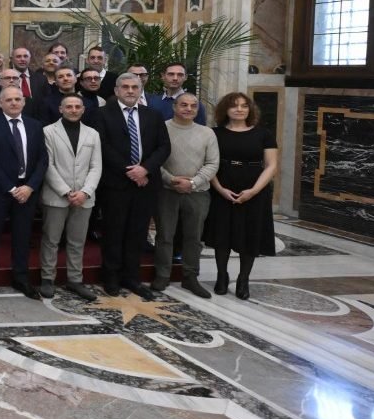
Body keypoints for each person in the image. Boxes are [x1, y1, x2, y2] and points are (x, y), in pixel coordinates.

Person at [98, 72, 171, 300]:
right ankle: (111, 277)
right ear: (116, 90)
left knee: (138, 232)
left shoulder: (153, 115)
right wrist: (130, 171)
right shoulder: (102, 114)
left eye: (135, 87)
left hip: (145, 184)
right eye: (125, 87)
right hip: (115, 183)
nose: (130, 91)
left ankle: (132, 277)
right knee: (114, 231)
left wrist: (145, 169)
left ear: (140, 90)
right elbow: (103, 146)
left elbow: (164, 147)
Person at [205, 92, 278, 300]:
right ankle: (221, 275)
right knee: (222, 235)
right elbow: (208, 163)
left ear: (250, 109)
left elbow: (271, 165)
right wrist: (219, 188)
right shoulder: (214, 133)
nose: (239, 109)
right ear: (225, 109)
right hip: (222, 187)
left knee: (250, 235)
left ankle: (243, 279)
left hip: (254, 190)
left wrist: (253, 191)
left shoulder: (263, 134)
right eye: (234, 105)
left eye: (244, 105)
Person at [0, 85, 48, 300]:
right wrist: (10, 188)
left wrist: (30, 187)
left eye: (17, 99)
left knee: (22, 237)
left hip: (27, 191)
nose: (13, 103)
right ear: (0, 103)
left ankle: (21, 278)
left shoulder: (35, 125)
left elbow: (43, 159)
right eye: (8, 100)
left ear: (24, 102)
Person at [155, 93, 219, 298]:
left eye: (193, 106)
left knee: (194, 237)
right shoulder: (160, 128)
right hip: (166, 191)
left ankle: (190, 277)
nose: (189, 109)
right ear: (174, 107)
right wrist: (171, 179)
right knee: (165, 235)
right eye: (184, 105)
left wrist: (192, 182)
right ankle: (162, 275)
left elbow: (212, 163)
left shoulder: (207, 133)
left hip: (197, 192)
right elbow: (153, 159)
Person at [39, 95, 102, 301]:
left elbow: (96, 166)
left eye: (77, 107)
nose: (73, 110)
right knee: (51, 239)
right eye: (69, 106)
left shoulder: (92, 134)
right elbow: (48, 165)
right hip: (56, 195)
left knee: (77, 241)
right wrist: (66, 191)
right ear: (61, 109)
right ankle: (47, 278)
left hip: (84, 197)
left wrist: (85, 191)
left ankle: (75, 279)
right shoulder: (48, 131)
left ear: (83, 110)